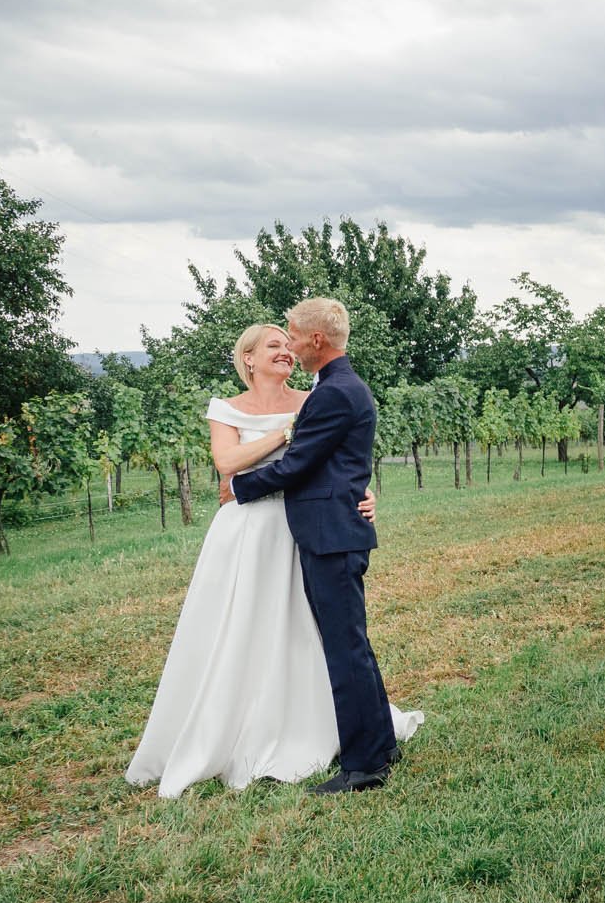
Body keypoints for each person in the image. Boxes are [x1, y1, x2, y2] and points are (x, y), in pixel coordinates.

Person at [125, 319, 421, 798]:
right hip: (247, 531)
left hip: (300, 525)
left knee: (309, 633)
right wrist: (285, 436)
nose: (285, 351)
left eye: (289, 344)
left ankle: (330, 735)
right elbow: (226, 462)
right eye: (274, 345)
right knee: (244, 627)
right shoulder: (226, 408)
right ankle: (244, 726)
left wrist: (360, 492)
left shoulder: (315, 398)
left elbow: (327, 455)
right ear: (248, 358)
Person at [222, 298, 403, 794]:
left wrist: (239, 489)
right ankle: (381, 744)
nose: (291, 342)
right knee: (352, 645)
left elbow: (297, 463)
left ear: (316, 341)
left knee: (344, 649)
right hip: (334, 529)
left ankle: (364, 766)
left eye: (294, 335)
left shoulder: (334, 392)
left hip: (330, 535)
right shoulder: (337, 387)